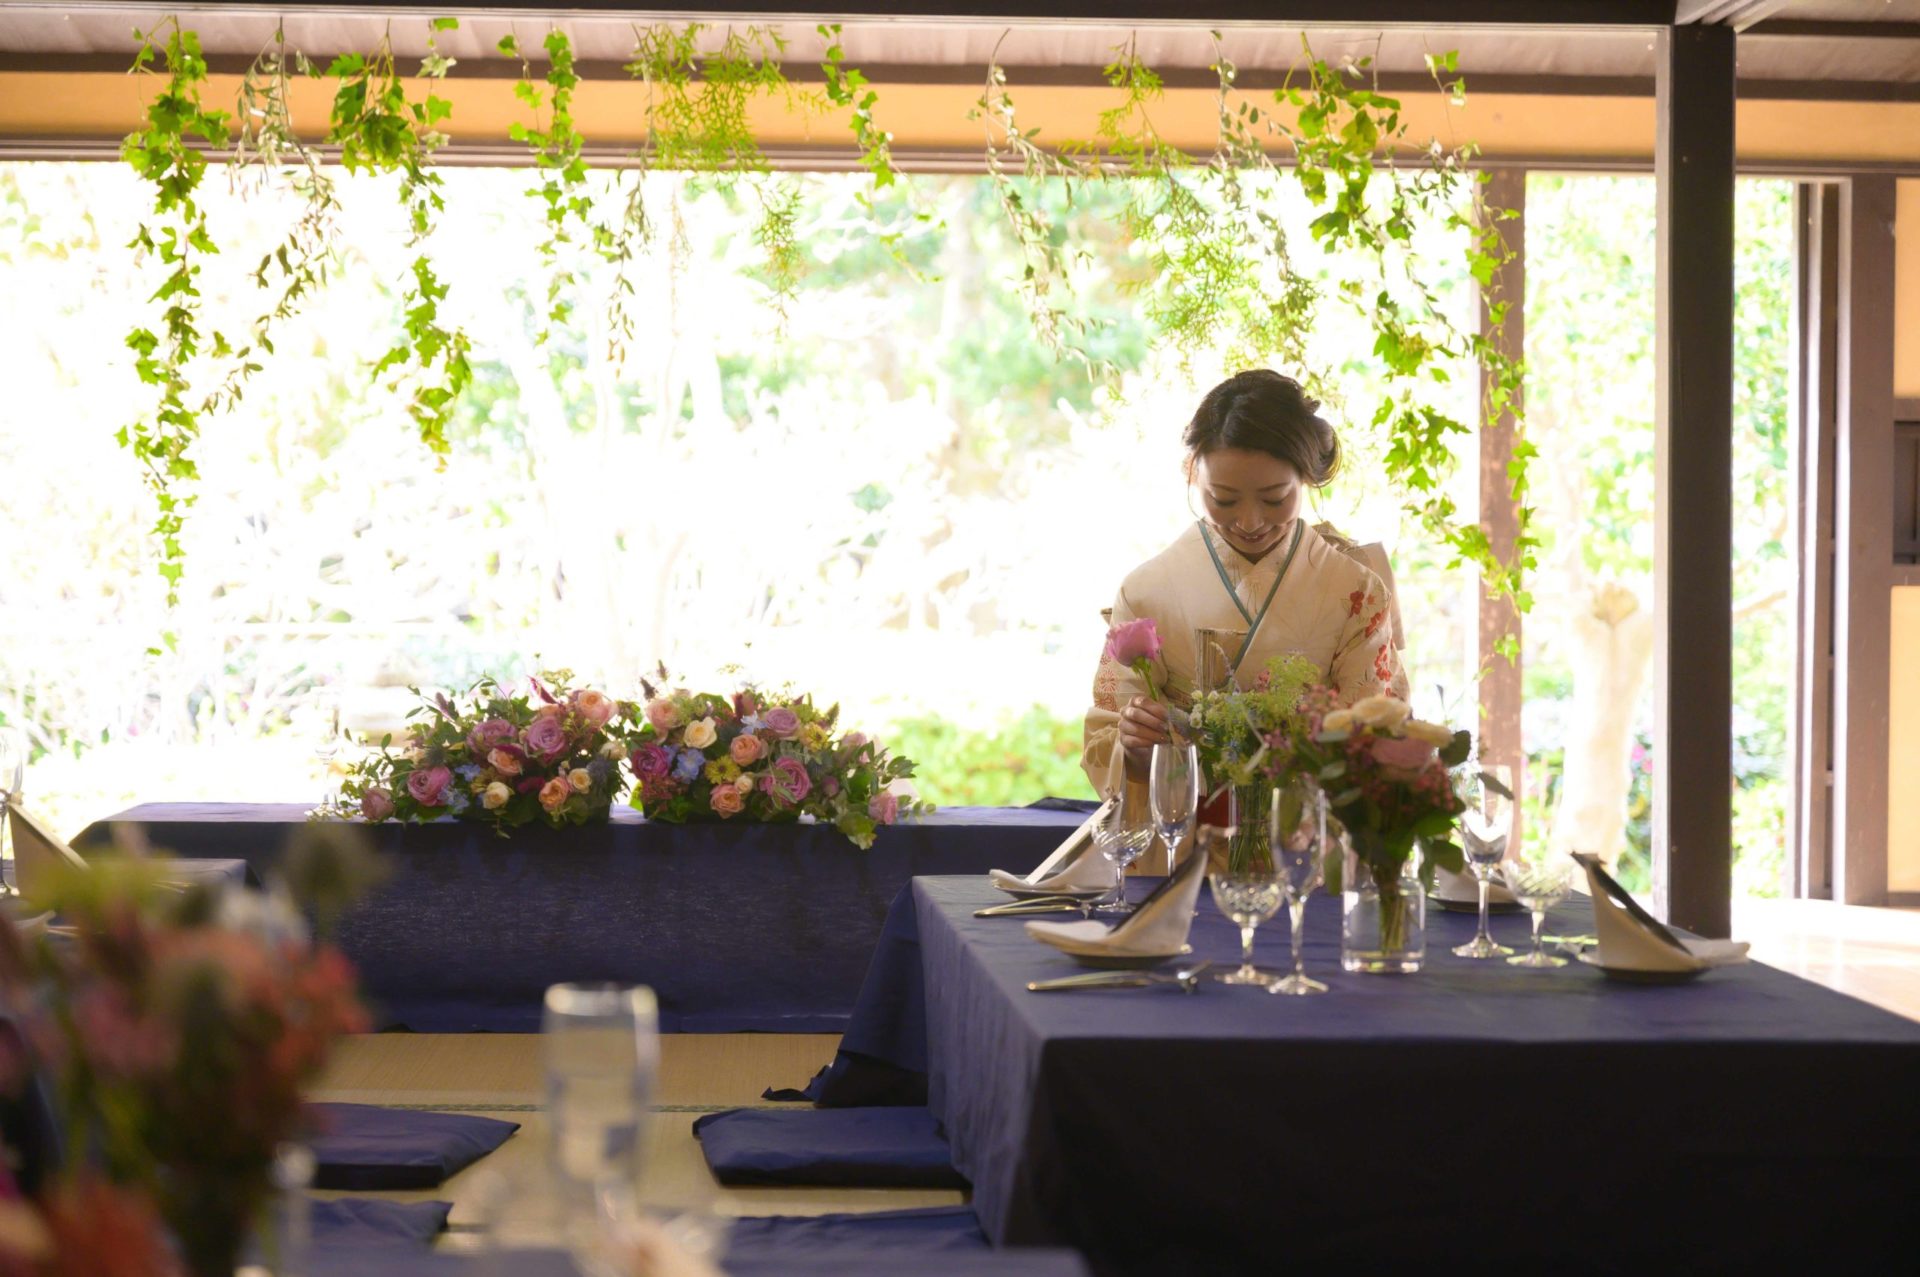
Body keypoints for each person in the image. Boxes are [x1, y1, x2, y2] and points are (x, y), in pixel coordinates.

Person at [1081, 370, 1408, 840]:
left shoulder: (1355, 588)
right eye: (1224, 499)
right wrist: (1133, 747)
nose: (1250, 521)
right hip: (1184, 839)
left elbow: (1378, 729)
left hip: (1310, 838)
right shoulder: (1147, 591)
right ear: (1193, 471)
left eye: (1275, 499)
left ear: (1306, 478)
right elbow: (1109, 734)